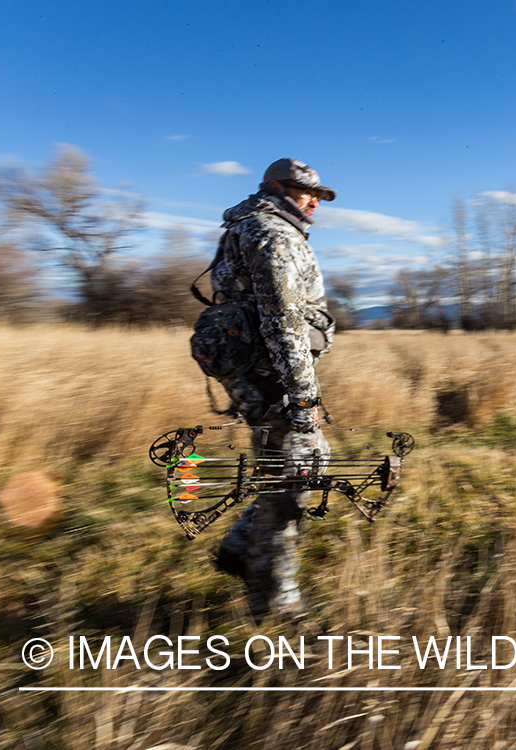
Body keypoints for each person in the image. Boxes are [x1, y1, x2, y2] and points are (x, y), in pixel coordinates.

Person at [208, 157, 337, 620]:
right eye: (306, 192)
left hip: (256, 369)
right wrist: (302, 395)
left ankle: (241, 547)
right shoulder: (272, 234)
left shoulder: (250, 226)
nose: (313, 202)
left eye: (318, 195)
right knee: (292, 478)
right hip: (270, 375)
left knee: (308, 460)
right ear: (276, 187)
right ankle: (275, 605)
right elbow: (282, 321)